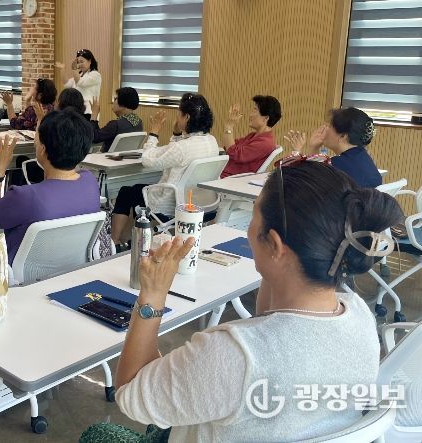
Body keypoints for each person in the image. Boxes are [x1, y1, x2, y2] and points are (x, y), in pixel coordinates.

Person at [80, 160, 403, 442]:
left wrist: (152, 294)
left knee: (98, 434)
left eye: (253, 218)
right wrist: (276, 269)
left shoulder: (235, 354)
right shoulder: (359, 315)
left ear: (275, 244)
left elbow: (130, 392)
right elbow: (271, 321)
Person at [0, 108, 101, 265]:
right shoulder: (90, 183)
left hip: (21, 277)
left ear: (42, 150)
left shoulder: (25, 196)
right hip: (72, 271)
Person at [110, 93, 219, 247]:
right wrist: (176, 134)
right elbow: (174, 152)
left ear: (187, 117)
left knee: (126, 192)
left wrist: (154, 132)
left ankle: (114, 242)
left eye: (179, 114)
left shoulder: (182, 148)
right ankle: (131, 239)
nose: (177, 118)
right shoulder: (211, 141)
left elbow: (148, 160)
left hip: (169, 204)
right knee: (136, 191)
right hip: (200, 204)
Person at [285, 107, 381, 188]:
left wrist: (297, 151)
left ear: (343, 136)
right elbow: (316, 172)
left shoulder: (336, 165)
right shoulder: (363, 157)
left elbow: (300, 182)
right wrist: (314, 148)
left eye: (330, 126)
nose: (326, 129)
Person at [221, 95, 282, 177]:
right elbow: (229, 147)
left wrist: (229, 126)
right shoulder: (255, 136)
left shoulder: (265, 143)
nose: (250, 115)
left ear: (266, 118)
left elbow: (233, 153)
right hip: (223, 173)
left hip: (229, 178)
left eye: (255, 110)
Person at [89, 87, 144, 152]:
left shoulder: (115, 125)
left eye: (115, 99)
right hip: (126, 158)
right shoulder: (139, 123)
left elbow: (93, 137)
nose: (113, 102)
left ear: (123, 102)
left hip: (107, 157)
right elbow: (100, 135)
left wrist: (94, 114)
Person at [56, 49, 102, 116]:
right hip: (78, 110)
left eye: (82, 61)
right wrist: (62, 69)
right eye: (78, 62)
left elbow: (80, 83)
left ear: (90, 61)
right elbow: (67, 84)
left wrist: (74, 70)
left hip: (89, 110)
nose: (80, 64)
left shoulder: (95, 75)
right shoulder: (79, 75)